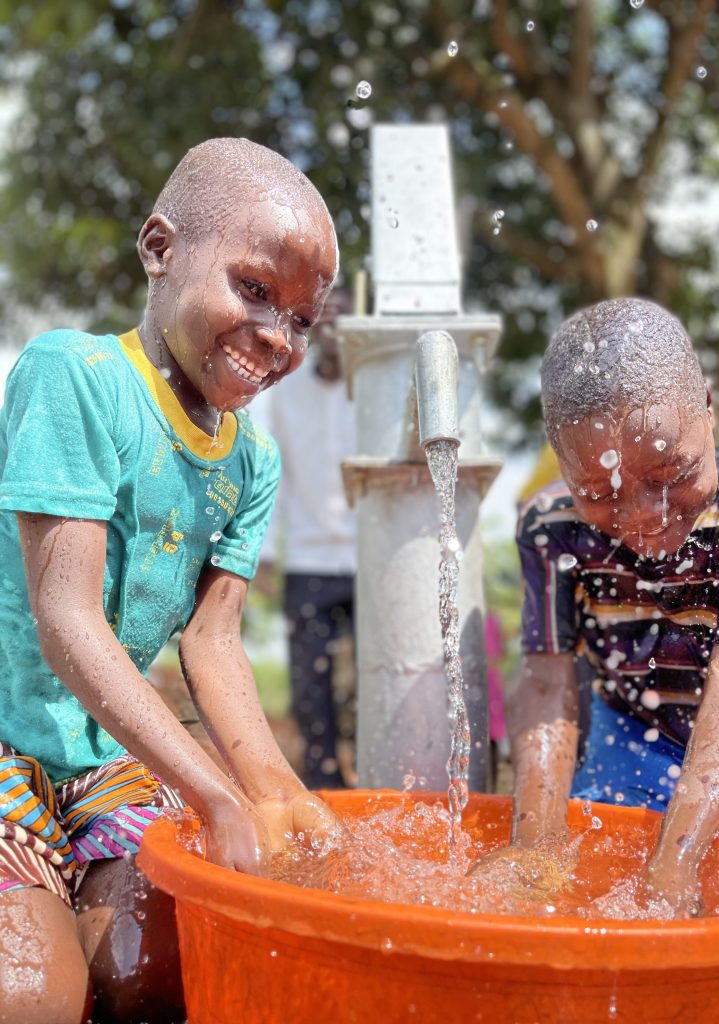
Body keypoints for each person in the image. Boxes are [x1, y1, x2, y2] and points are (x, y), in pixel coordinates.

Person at [0, 137, 340, 1024]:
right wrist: (211, 791)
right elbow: (66, 621)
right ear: (160, 249)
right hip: (4, 741)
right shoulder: (74, 377)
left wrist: (275, 792)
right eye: (254, 288)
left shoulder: (251, 459)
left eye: (303, 319)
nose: (277, 336)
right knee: (34, 997)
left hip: (106, 758)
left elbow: (212, 642)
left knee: (159, 972)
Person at [484, 297, 719, 917]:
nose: (644, 518)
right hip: (632, 746)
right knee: (588, 873)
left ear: (709, 410)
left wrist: (675, 864)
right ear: (561, 466)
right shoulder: (552, 526)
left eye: (672, 475)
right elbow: (546, 679)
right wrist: (535, 843)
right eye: (600, 493)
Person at [251, 288, 357, 789]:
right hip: (307, 558)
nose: (332, 329)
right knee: (309, 681)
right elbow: (281, 474)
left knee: (376, 673)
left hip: (370, 559)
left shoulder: (377, 388)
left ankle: (374, 777)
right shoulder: (287, 391)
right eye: (323, 318)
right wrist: (266, 552)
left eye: (342, 318)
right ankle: (322, 783)